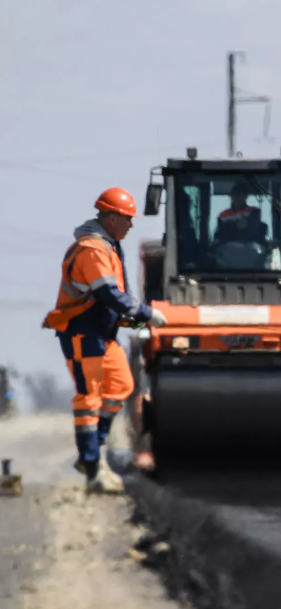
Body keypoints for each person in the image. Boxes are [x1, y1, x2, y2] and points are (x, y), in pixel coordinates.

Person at [43, 188, 169, 494]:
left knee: (121, 386)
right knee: (90, 398)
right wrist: (147, 313)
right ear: (111, 218)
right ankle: (92, 467)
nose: (131, 225)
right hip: (82, 333)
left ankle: (93, 456)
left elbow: (113, 302)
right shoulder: (92, 249)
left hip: (102, 333)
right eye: (127, 219)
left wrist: (139, 321)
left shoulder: (110, 247)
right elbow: (107, 294)